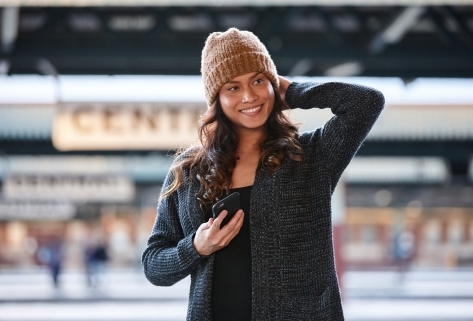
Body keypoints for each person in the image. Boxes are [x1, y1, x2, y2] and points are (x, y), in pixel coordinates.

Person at [142, 28, 385, 320]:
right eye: (232, 87)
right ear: (216, 99)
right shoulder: (189, 170)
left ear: (273, 84)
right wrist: (196, 246)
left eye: (258, 81)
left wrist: (294, 91)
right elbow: (154, 265)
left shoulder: (311, 155)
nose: (249, 96)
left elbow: (367, 102)